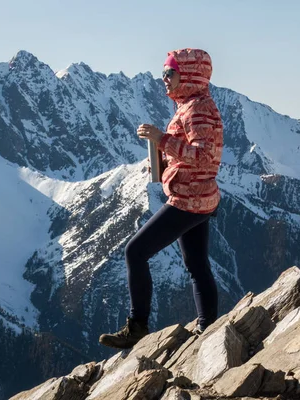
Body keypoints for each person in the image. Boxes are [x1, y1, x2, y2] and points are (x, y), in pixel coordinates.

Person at [99, 48, 224, 349]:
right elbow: (195, 155)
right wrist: (164, 161)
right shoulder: (191, 105)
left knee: (135, 251)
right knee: (197, 265)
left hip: (189, 199)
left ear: (189, 74)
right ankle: (208, 327)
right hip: (197, 196)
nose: (164, 79)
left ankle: (137, 326)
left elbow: (206, 157)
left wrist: (161, 140)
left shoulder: (196, 109)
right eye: (163, 72)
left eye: (170, 72)